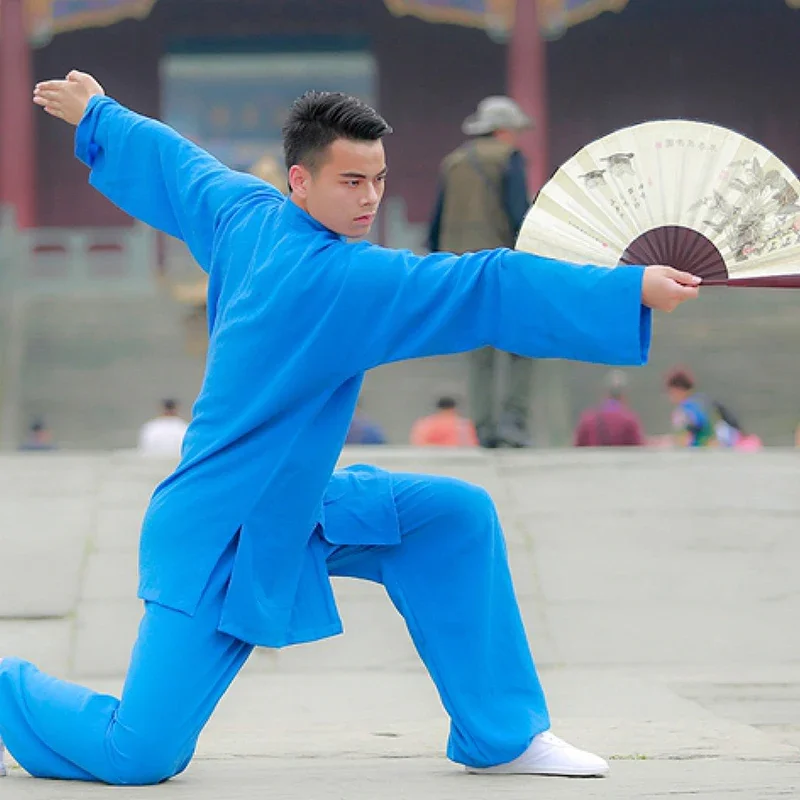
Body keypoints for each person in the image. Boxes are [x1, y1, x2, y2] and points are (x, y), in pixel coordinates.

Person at [0, 69, 698, 786]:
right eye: (351, 182)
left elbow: (178, 166)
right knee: (139, 755)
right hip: (216, 529)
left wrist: (98, 113)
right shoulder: (342, 278)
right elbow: (484, 282)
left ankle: (504, 734)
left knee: (451, 519)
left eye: (379, 180)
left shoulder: (245, 214)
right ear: (300, 181)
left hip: (297, 507)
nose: (369, 199)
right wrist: (629, 290)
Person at [428, 96, 534, 449]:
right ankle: (514, 421)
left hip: (461, 269)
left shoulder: (453, 163)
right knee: (523, 342)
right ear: (503, 131)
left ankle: (485, 428)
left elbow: (436, 223)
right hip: (502, 265)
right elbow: (519, 215)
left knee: (480, 351)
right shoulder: (509, 159)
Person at [573, 370, 645, 447]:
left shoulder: (588, 419)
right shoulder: (629, 420)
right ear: (624, 394)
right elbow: (638, 447)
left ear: (605, 393)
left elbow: (577, 447)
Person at [410, 396, 479, 447]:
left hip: (432, 459)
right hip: (457, 459)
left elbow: (419, 443)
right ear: (454, 408)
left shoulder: (426, 423)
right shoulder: (463, 425)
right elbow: (470, 445)